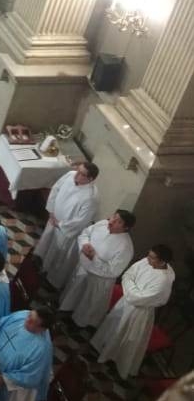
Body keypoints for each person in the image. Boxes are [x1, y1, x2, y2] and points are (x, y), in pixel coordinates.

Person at [92, 247, 175, 378]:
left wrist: (130, 289)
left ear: (162, 262)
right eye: (149, 255)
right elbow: (128, 275)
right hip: (125, 303)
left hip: (139, 312)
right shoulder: (147, 261)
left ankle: (116, 362)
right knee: (113, 326)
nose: (147, 259)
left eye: (152, 257)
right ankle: (103, 348)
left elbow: (137, 299)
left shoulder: (163, 281)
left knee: (127, 339)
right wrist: (132, 290)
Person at [59, 209, 137, 327]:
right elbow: (85, 233)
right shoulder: (102, 224)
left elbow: (114, 271)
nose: (112, 221)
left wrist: (94, 258)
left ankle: (76, 325)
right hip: (83, 268)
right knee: (72, 293)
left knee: (87, 304)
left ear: (126, 228)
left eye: (118, 221)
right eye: (113, 217)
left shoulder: (126, 247)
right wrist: (85, 244)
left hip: (99, 279)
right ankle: (64, 311)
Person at [34, 162, 99, 289]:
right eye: (78, 170)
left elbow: (81, 220)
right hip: (53, 219)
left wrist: (60, 224)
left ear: (90, 179)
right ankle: (39, 262)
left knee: (57, 255)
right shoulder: (70, 174)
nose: (76, 175)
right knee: (46, 243)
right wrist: (51, 211)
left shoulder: (91, 197)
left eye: (81, 174)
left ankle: (48, 279)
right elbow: (56, 189)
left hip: (65, 230)